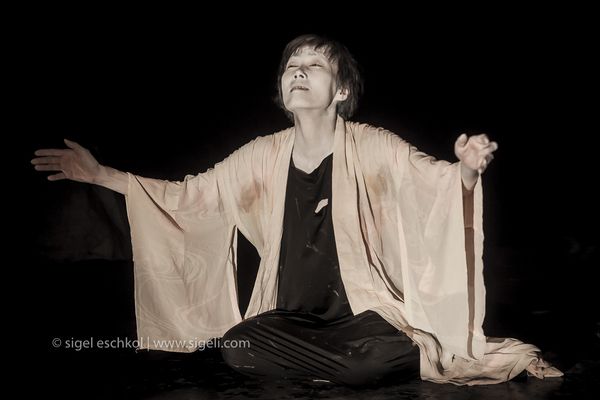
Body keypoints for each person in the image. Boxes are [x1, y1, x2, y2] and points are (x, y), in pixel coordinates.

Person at [31, 34, 562, 387]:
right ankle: (343, 369)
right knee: (238, 345)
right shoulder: (260, 155)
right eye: (291, 67)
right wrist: (101, 176)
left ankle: (354, 366)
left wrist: (466, 170)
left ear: (342, 89)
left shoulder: (372, 144)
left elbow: (435, 182)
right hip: (291, 318)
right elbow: (190, 195)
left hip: (368, 320)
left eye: (314, 66)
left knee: (374, 354)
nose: (298, 73)